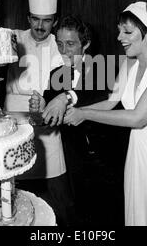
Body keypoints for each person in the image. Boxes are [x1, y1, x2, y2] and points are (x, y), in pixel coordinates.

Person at [63, 2, 147, 226]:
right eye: (119, 30)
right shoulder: (129, 62)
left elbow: (137, 117)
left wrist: (84, 113)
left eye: (128, 32)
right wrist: (72, 110)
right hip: (138, 149)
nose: (120, 37)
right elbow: (112, 102)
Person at [4, 0, 72, 226]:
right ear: (28, 17)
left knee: (56, 208)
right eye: (35, 19)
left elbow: (74, 79)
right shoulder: (13, 39)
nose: (40, 26)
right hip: (15, 129)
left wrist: (61, 96)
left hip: (48, 134)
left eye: (47, 20)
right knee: (16, 210)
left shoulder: (61, 45)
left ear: (55, 20)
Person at [29, 15, 109, 223]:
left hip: (105, 157)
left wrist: (65, 97)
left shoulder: (101, 67)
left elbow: (98, 93)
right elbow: (48, 118)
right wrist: (39, 111)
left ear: (86, 45)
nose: (63, 51)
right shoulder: (56, 72)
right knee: (78, 211)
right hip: (72, 156)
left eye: (71, 44)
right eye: (60, 44)